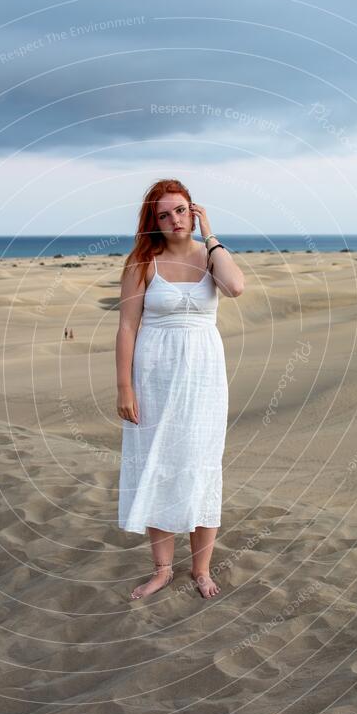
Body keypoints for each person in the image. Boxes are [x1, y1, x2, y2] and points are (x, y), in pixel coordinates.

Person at [116, 179, 245, 600]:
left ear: (194, 211)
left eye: (182, 210)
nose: (175, 220)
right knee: (158, 465)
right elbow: (127, 326)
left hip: (204, 377)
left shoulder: (209, 255)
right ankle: (162, 569)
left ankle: (201, 570)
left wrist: (211, 236)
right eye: (165, 214)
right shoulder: (142, 261)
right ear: (153, 221)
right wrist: (125, 388)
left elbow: (236, 287)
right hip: (153, 375)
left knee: (203, 465)